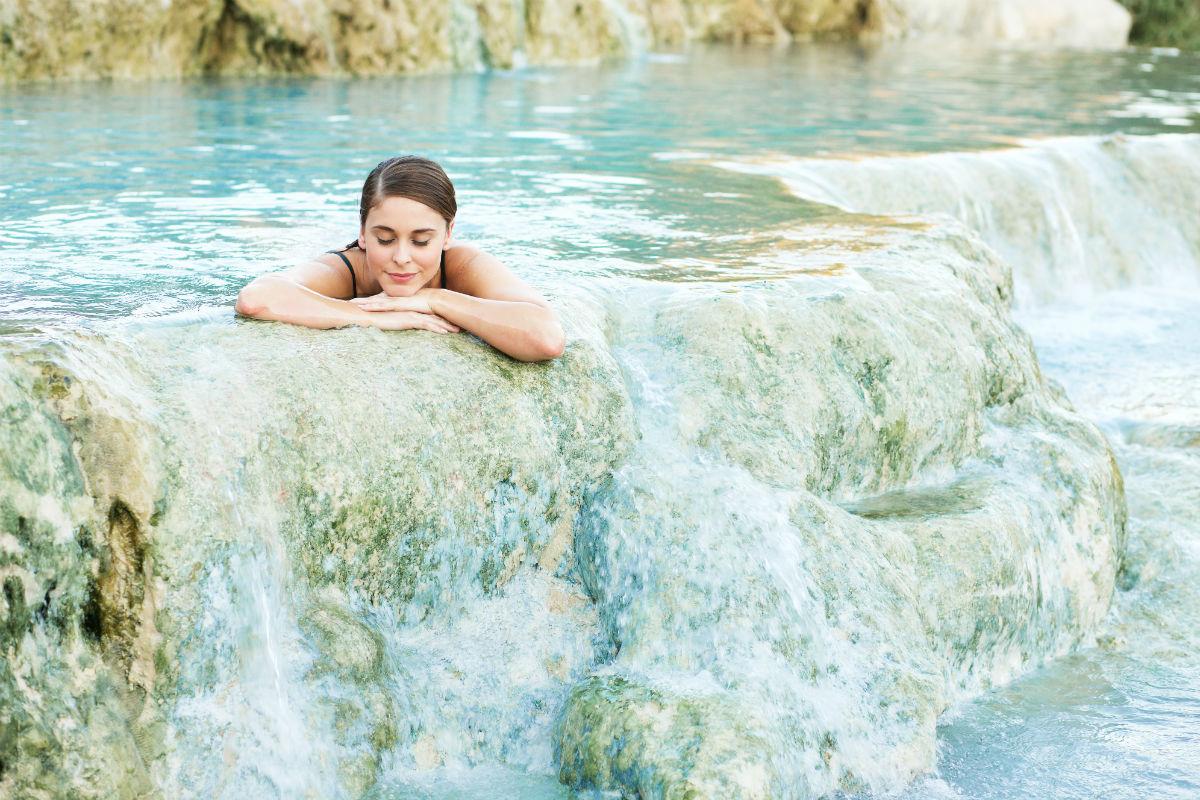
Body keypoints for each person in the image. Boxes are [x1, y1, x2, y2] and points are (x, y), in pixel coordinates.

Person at [235, 155, 565, 362]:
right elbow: (256, 299)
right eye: (385, 239)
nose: (401, 258)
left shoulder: (461, 265)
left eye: (421, 241)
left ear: (448, 234)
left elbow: (546, 338)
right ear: (363, 232)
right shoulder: (347, 269)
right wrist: (370, 317)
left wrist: (434, 299)